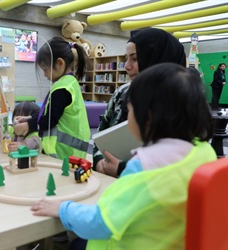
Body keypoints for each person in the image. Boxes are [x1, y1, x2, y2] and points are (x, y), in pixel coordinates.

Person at [31, 63, 216, 250]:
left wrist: (63, 209)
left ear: (148, 116)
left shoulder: (144, 167)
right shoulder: (204, 153)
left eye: (130, 110)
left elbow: (100, 222)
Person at [93, 28, 186, 177]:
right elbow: (100, 135)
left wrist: (122, 168)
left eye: (135, 59)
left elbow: (176, 167)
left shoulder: (180, 106)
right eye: (126, 58)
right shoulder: (122, 93)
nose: (127, 66)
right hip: (107, 184)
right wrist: (99, 162)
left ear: (158, 60)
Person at [13, 36, 90, 160]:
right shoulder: (69, 83)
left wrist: (27, 125)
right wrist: (30, 118)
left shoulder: (62, 89)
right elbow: (53, 113)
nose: (44, 74)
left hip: (65, 152)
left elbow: (49, 120)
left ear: (60, 63)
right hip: (72, 151)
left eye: (45, 69)